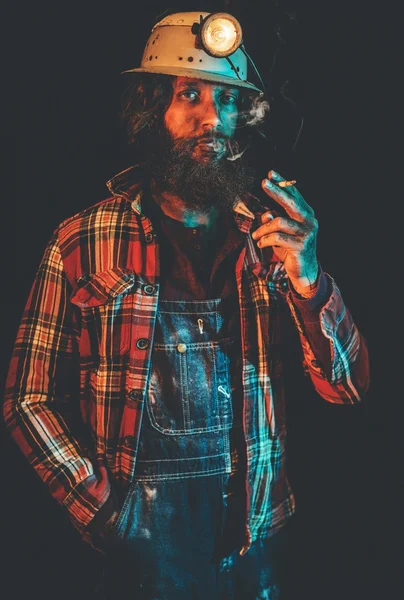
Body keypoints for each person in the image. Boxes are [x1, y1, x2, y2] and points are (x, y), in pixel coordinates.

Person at [3, 10, 370, 600]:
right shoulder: (81, 241)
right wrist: (101, 510)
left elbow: (347, 388)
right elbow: (28, 397)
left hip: (255, 543)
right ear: (152, 110)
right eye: (190, 95)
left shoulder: (272, 243)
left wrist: (308, 280)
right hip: (139, 551)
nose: (211, 120)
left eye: (227, 100)